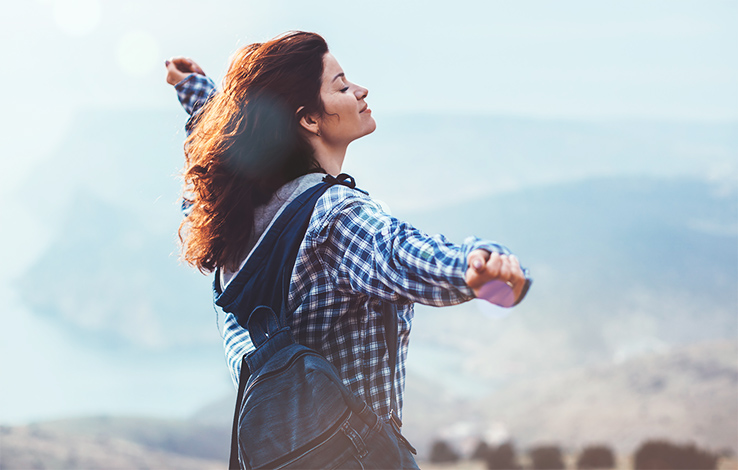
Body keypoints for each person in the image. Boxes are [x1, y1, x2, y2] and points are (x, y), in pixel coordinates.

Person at [165, 31, 530, 466]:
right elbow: (398, 253)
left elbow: (226, 145)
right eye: (341, 85)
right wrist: (475, 267)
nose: (360, 91)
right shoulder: (334, 216)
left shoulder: (229, 216)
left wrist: (196, 95)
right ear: (309, 120)